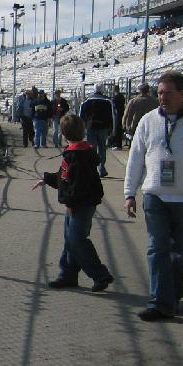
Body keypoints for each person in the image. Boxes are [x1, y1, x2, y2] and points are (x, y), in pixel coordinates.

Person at [123, 71, 183, 321]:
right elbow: (135, 159)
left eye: (167, 93)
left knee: (179, 252)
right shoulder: (148, 120)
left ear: (182, 94)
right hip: (154, 195)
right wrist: (129, 193)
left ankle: (172, 298)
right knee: (157, 248)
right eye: (159, 93)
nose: (162, 98)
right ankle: (159, 302)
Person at [32, 113, 113, 292]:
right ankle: (67, 274)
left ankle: (100, 274)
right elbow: (64, 177)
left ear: (63, 134)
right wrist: (47, 179)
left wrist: (70, 203)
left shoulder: (76, 156)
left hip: (80, 204)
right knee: (71, 239)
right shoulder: (78, 152)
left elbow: (75, 184)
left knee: (77, 240)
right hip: (83, 202)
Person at [79, 86, 116, 177]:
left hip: (90, 127)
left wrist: (81, 129)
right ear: (102, 90)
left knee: (92, 149)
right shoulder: (108, 101)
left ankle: (92, 169)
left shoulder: (86, 102)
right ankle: (101, 168)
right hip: (103, 128)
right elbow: (113, 117)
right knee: (102, 148)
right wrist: (113, 129)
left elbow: (81, 116)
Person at [111, 85, 126, 149]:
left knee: (116, 130)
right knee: (119, 129)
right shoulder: (122, 96)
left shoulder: (115, 97)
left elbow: (114, 107)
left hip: (117, 115)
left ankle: (116, 144)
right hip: (121, 114)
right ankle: (119, 144)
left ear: (114, 90)